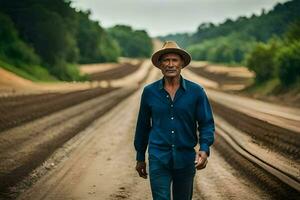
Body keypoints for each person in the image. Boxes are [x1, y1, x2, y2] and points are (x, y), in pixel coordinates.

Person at [134, 41, 215, 200]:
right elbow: (143, 126)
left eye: (174, 60)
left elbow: (206, 123)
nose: (170, 64)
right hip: (158, 158)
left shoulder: (196, 92)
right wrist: (140, 157)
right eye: (166, 60)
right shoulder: (149, 92)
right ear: (160, 64)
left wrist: (204, 149)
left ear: (182, 64)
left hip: (185, 159)